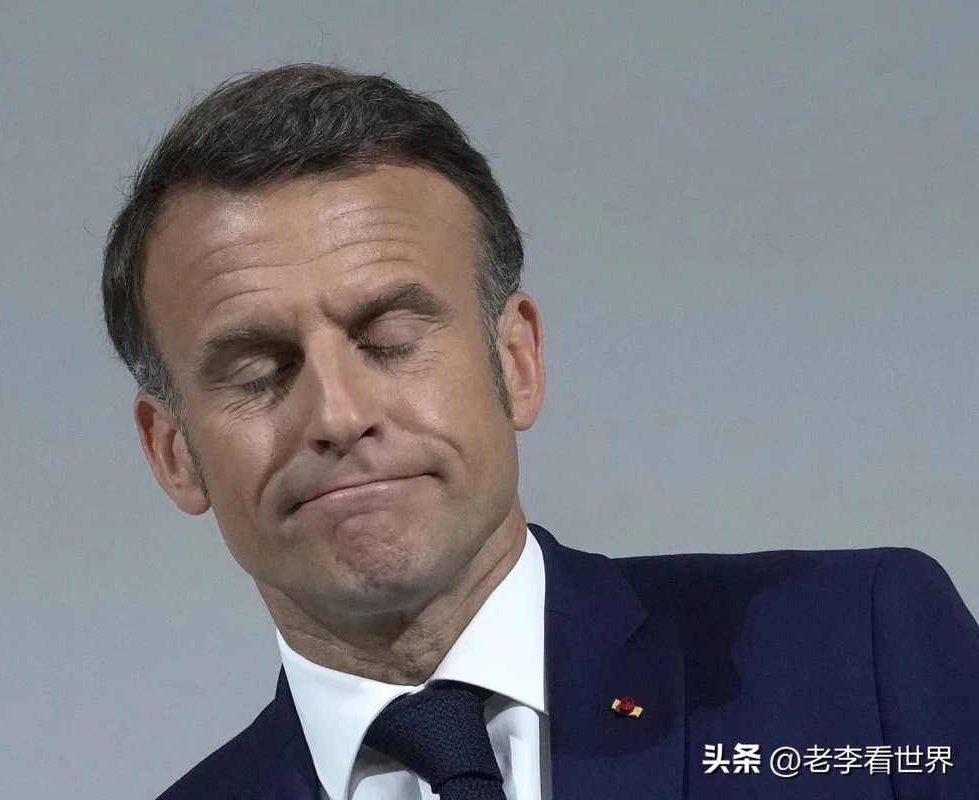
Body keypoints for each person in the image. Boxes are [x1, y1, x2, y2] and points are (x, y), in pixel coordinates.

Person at [100, 64, 979, 800]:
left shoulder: (858, 654)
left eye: (391, 340)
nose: (336, 414)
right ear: (173, 452)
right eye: (259, 372)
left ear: (515, 361)